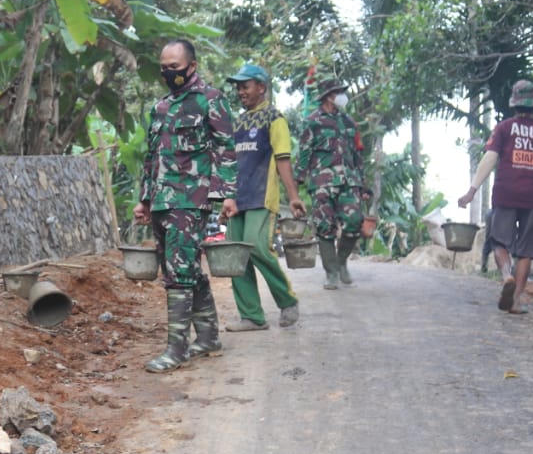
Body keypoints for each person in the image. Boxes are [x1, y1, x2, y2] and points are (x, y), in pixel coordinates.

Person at [133, 39, 238, 372]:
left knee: (178, 275)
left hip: (191, 199)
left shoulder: (210, 100)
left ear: (192, 66)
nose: (168, 73)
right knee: (183, 268)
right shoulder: (161, 107)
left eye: (174, 67)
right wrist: (144, 199)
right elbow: (152, 157)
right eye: (163, 67)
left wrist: (228, 194)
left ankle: (176, 349)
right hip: (163, 199)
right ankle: (207, 338)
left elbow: (225, 149)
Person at [457, 79, 533, 314]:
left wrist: (472, 191)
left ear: (514, 104)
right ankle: (515, 301)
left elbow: (490, 159)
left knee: (499, 242)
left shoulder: (504, 128)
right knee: (526, 251)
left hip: (505, 193)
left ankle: (505, 276)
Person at [224, 63, 307, 330]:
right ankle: (252, 316)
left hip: (262, 197)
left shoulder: (275, 118)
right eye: (238, 87)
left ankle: (287, 300)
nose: (240, 92)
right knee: (235, 255)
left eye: (245, 86)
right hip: (237, 199)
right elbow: (230, 162)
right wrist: (225, 197)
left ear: (261, 87)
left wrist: (293, 197)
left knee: (257, 246)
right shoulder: (237, 122)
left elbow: (283, 158)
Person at [297, 78, 366, 289]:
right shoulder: (313, 121)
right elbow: (304, 151)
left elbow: (357, 154)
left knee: (354, 222)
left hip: (349, 181)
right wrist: (299, 179)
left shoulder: (348, 122)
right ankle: (332, 273)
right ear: (329, 96)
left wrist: (363, 184)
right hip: (322, 183)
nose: (344, 96)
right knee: (324, 227)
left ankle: (341, 261)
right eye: (339, 92)